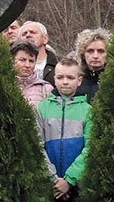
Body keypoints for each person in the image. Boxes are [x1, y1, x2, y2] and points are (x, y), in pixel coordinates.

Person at [36, 58, 91, 201]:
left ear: (79, 81)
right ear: (54, 79)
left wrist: (69, 180)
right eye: (60, 77)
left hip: (78, 186)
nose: (65, 81)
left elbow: (90, 148)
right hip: (49, 185)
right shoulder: (41, 109)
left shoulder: (88, 111)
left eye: (70, 77)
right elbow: (36, 146)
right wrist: (54, 178)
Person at [10, 40, 53, 107]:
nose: (27, 65)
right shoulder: (4, 85)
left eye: (31, 61)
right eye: (22, 60)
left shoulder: (45, 89)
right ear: (12, 60)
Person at [74, 28, 112, 103]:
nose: (95, 56)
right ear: (83, 55)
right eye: (90, 51)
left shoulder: (111, 80)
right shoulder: (75, 80)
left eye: (101, 51)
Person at [19, 21, 59, 86]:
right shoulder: (11, 64)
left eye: (33, 32)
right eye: (24, 34)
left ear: (45, 38)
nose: (28, 35)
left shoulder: (59, 63)